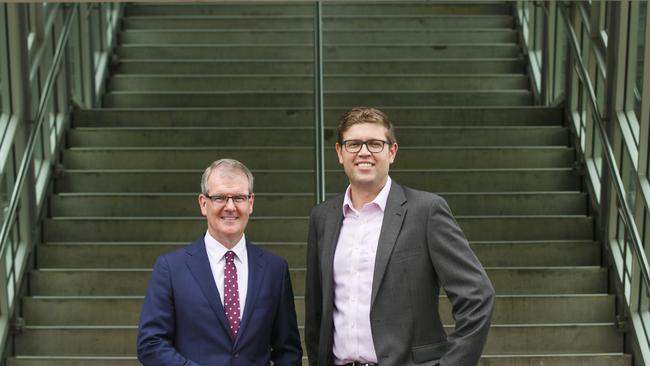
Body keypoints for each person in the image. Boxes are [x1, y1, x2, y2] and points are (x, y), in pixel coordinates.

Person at [305, 107, 495, 366]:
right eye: (353, 144)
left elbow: (478, 296)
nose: (364, 152)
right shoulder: (323, 217)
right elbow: (316, 313)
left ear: (392, 152)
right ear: (339, 153)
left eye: (375, 144)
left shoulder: (426, 211)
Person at [137, 158, 302, 366]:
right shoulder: (171, 268)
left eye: (239, 198)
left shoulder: (275, 270)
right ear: (203, 204)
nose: (230, 207)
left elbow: (288, 350)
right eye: (220, 198)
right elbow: (150, 343)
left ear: (251, 203)